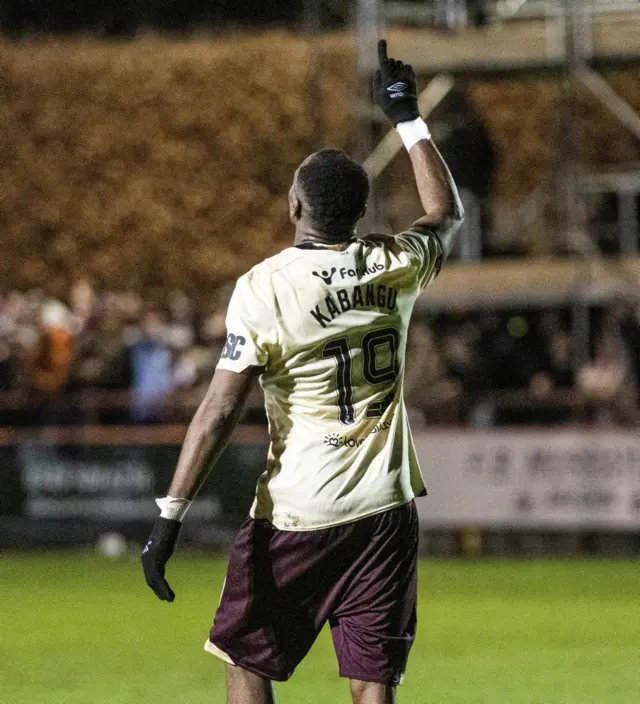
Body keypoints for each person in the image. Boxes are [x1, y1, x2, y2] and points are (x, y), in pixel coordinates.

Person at [142, 40, 463, 704]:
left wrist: (170, 514)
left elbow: (218, 413)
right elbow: (445, 214)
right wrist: (406, 116)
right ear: (358, 214)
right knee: (373, 685)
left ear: (296, 208)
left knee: (245, 659)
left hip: (298, 510)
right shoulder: (391, 266)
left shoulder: (265, 288)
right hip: (384, 505)